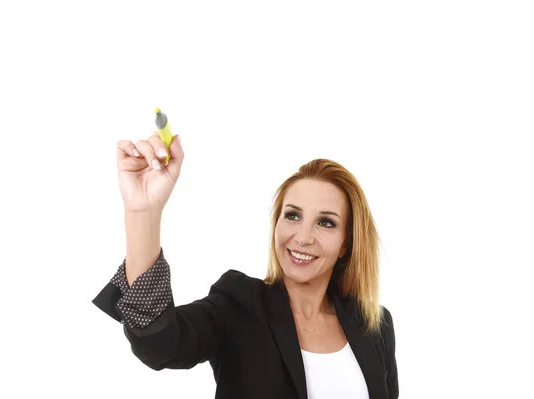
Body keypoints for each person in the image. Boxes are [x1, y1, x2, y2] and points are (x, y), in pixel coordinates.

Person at [93, 131, 399, 399]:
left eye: (326, 222)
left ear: (347, 243)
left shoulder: (375, 326)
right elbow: (159, 344)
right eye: (292, 215)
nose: (303, 237)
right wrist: (143, 212)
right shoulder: (238, 305)